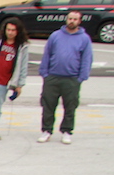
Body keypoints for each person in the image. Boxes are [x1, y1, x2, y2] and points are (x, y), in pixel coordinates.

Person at [37, 10, 92, 145]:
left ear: (79, 21)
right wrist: (45, 73)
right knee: (48, 105)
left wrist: (81, 78)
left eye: (75, 19)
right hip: (52, 77)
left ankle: (67, 131)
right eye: (70, 18)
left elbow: (87, 59)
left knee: (70, 106)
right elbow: (47, 55)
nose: (72, 21)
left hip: (72, 79)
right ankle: (47, 130)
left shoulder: (84, 39)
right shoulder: (55, 36)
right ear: (66, 19)